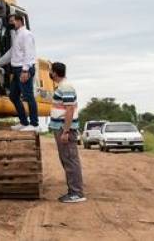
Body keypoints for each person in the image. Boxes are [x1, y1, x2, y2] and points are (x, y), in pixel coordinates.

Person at [48, 62, 86, 203]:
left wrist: (66, 131)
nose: (50, 73)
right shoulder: (62, 87)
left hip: (65, 130)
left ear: (55, 73)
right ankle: (73, 191)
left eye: (51, 71)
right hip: (62, 129)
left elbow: (69, 110)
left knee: (70, 160)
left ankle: (76, 193)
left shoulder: (66, 87)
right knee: (67, 160)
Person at [0, 13, 38, 131]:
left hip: (24, 69)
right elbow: (12, 53)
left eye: (12, 21)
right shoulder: (17, 35)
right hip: (17, 69)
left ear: (20, 21)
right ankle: (24, 122)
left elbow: (29, 54)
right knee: (13, 96)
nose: (10, 23)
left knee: (28, 96)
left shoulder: (26, 34)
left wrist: (25, 70)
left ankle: (34, 125)